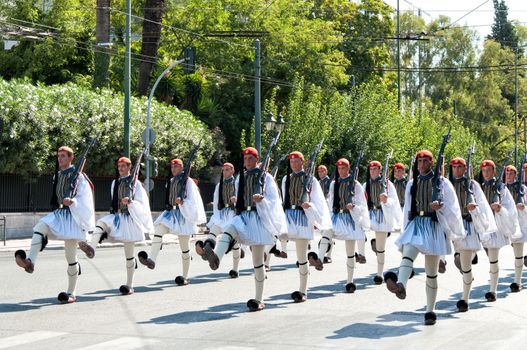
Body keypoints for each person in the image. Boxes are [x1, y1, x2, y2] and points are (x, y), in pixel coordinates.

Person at [385, 150, 464, 325]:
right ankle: (401, 285)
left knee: (431, 273)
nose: (421, 164)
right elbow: (407, 209)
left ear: (431, 162)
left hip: (434, 226)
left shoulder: (443, 183)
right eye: (419, 161)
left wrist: (441, 207)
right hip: (417, 224)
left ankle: (430, 311)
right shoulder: (412, 183)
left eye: (425, 161)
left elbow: (454, 208)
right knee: (408, 252)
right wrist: (404, 229)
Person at [203, 147, 287, 311]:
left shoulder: (267, 177)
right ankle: (216, 257)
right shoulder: (240, 177)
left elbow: (274, 199)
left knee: (257, 262)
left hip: (258, 219)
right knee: (229, 228)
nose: (247, 162)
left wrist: (262, 200)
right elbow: (239, 196)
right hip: (242, 216)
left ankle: (259, 299)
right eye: (245, 159)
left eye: (250, 158)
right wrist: (235, 200)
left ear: (256, 159)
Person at [15, 146, 95, 303]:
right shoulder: (57, 175)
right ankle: (30, 262)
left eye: (63, 156)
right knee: (40, 227)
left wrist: (73, 201)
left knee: (70, 256)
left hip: (73, 216)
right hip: (59, 214)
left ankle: (71, 293)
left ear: (71, 158)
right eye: (58, 156)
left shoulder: (79, 176)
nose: (60, 159)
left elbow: (86, 197)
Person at [78, 156, 153, 295]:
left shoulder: (136, 184)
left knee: (129, 255)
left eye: (123, 166)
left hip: (129, 220)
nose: (121, 169)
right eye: (119, 167)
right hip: (117, 216)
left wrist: (131, 202)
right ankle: (91, 249)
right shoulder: (115, 183)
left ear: (129, 167)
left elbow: (143, 205)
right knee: (101, 223)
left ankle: (129, 285)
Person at [138, 158, 206, 286]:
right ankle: (152, 260)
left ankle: (185, 276)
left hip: (183, 215)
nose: (173, 169)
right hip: (171, 214)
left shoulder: (188, 182)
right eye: (172, 167)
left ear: (182, 168)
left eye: (176, 167)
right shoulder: (171, 181)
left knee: (184, 247)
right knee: (158, 230)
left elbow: (194, 200)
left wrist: (183, 202)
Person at [282, 151, 332, 302]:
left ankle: (302, 290)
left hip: (303, 218)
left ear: (302, 162)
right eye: (292, 162)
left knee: (301, 257)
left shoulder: (310, 179)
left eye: (297, 161)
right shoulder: (286, 178)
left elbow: (319, 201)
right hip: (289, 216)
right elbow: (284, 198)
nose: (294, 164)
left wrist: (309, 206)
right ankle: (275, 253)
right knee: (272, 236)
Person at [448, 157, 496, 311]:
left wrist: (474, 209)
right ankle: (470, 259)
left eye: (459, 167)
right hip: (452, 228)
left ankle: (465, 299)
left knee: (465, 264)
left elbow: (483, 206)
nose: (456, 170)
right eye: (454, 167)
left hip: (468, 226)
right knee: (460, 259)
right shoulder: (446, 184)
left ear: (465, 168)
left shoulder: (472, 185)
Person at [325, 158, 370, 293]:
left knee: (350, 253)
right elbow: (331, 200)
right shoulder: (334, 183)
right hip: (337, 216)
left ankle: (350, 281)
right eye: (339, 168)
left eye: (343, 168)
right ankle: (321, 259)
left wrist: (353, 206)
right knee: (326, 232)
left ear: (348, 169)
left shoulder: (355, 184)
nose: (341, 171)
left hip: (350, 218)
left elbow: (363, 204)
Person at [478, 160, 521, 301]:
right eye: (484, 171)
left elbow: (510, 207)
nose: (486, 173)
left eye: (489, 170)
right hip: (480, 227)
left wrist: (500, 208)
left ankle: (493, 291)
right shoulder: (478, 187)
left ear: (494, 171)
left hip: (496, 226)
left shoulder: (501, 187)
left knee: (493, 260)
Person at [196, 162, 244, 278]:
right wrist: (216, 216)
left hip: (233, 214)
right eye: (224, 170)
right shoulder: (219, 185)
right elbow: (216, 201)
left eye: (228, 169)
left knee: (234, 244)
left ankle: (235, 269)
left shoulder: (237, 183)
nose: (225, 172)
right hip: (222, 213)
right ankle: (207, 250)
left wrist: (235, 201)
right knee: (213, 229)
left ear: (233, 171)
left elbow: (242, 198)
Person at [364, 160, 402, 284]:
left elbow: (394, 201)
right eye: (371, 169)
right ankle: (360, 253)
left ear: (380, 170)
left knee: (380, 247)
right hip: (370, 215)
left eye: (375, 169)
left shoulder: (387, 184)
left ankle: (379, 274)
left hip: (382, 216)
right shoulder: (366, 184)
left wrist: (386, 201)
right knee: (357, 233)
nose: (373, 171)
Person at [504, 165, 527, 292]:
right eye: (507, 173)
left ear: (515, 175)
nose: (508, 176)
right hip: (502, 224)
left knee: (518, 255)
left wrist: (523, 208)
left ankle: (517, 282)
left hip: (519, 223)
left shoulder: (522, 189)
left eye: (511, 173)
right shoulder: (501, 188)